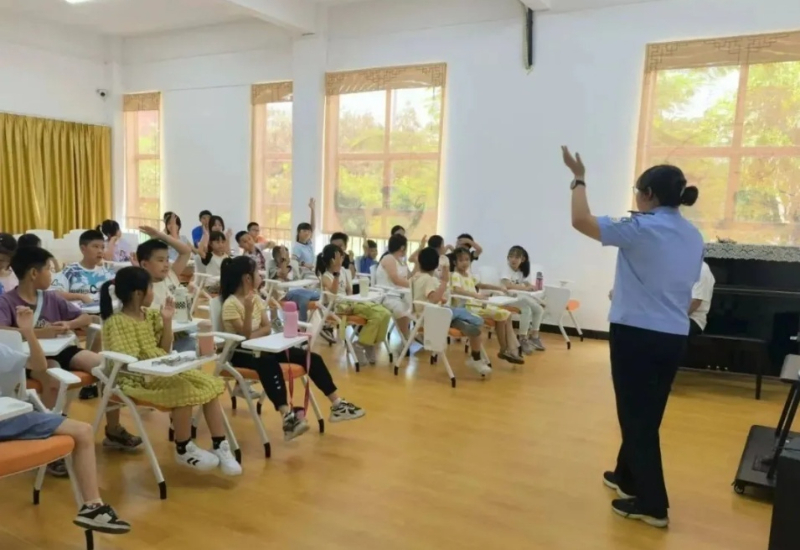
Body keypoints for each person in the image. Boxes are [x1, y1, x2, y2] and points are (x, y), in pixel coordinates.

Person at [563, 145, 703, 528]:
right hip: (673, 336)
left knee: (635, 418)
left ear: (649, 195)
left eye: (638, 191)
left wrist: (578, 178)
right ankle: (626, 476)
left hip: (636, 335)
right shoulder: (693, 235)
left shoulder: (642, 228)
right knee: (647, 413)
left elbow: (580, 219)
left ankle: (653, 505)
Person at [0, 246, 142, 467]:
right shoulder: (6, 302)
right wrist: (39, 333)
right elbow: (3, 332)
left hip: (62, 349)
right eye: (48, 269)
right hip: (31, 358)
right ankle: (49, 439)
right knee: (53, 376)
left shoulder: (51, 298)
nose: (52, 274)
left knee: (106, 367)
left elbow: (85, 318)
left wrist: (69, 324)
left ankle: (113, 429)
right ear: (34, 273)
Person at [0, 306, 132, 534]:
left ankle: (93, 508)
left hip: (8, 416)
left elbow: (39, 366)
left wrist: (28, 332)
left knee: (82, 431)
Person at [99, 267, 241, 475]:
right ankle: (183, 448)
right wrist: (154, 366)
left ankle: (220, 444)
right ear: (138, 293)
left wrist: (166, 321)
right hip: (136, 379)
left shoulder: (150, 316)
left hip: (159, 367)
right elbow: (124, 365)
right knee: (182, 390)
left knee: (209, 384)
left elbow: (164, 349)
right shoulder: (115, 323)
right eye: (150, 288)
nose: (153, 293)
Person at [219, 256, 365, 441]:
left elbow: (267, 327)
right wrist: (249, 314)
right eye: (257, 273)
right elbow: (245, 336)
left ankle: (337, 404)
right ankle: (287, 417)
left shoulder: (255, 298)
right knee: (268, 363)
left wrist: (256, 333)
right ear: (247, 278)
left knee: (311, 358)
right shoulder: (231, 304)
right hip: (240, 353)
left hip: (263, 346)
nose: (260, 276)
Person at [411, 247, 491, 376]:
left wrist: (440, 296)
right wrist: (444, 282)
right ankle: (477, 322)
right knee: (463, 313)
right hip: (434, 316)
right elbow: (433, 299)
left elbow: (428, 297)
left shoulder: (418, 277)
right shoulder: (427, 279)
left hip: (437, 314)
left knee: (474, 330)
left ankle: (476, 359)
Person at [317, 244, 391, 365]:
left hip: (351, 302)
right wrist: (336, 273)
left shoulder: (344, 271)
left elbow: (349, 291)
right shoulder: (326, 276)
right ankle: (360, 344)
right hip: (339, 306)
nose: (342, 259)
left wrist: (352, 302)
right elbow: (334, 293)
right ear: (332, 260)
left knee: (386, 313)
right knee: (376, 316)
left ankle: (368, 343)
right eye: (340, 257)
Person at [449, 247, 524, 365]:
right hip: (468, 307)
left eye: (467, 260)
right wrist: (475, 295)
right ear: (455, 262)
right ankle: (506, 349)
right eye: (461, 260)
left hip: (477, 304)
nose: (465, 263)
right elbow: (457, 290)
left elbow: (481, 285)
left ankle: (507, 348)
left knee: (506, 314)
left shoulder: (469, 275)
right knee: (503, 314)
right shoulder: (455, 275)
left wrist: (499, 288)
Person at [135, 226, 194, 352]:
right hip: (163, 340)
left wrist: (161, 236)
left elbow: (186, 251)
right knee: (199, 347)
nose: (166, 264)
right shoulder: (141, 291)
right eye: (160, 260)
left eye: (167, 259)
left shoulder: (170, 274)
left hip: (182, 330)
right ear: (144, 264)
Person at [501, 246, 547, 353]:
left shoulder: (520, 271)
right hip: (506, 298)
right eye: (511, 257)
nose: (513, 259)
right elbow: (507, 285)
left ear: (522, 259)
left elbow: (525, 283)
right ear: (508, 258)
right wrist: (525, 288)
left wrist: (531, 286)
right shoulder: (506, 269)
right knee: (526, 309)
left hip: (519, 297)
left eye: (517, 257)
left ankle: (534, 337)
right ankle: (522, 338)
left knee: (539, 309)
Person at [51, 230, 115, 305]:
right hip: (79, 311)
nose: (100, 251)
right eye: (96, 247)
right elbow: (54, 294)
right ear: (83, 249)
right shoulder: (70, 271)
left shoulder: (107, 271)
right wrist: (80, 297)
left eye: (102, 247)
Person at [375, 234, 412, 341]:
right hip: (386, 295)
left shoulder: (402, 261)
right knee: (402, 307)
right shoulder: (389, 258)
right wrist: (413, 285)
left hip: (399, 294)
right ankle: (406, 337)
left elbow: (409, 277)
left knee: (415, 303)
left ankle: (412, 334)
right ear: (402, 247)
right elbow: (396, 280)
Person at [268, 245, 319, 323]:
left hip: (298, 291)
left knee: (317, 297)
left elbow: (299, 282)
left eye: (288, 256)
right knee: (308, 302)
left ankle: (307, 323)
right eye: (285, 256)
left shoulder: (292, 268)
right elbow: (283, 274)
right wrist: (283, 260)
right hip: (287, 295)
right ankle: (303, 323)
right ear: (278, 259)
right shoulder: (274, 269)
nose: (288, 258)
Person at [689, 261, 715, 336]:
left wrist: (673, 317)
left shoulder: (701, 269)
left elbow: (695, 302)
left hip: (692, 318)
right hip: (672, 315)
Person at [292, 199, 316, 275]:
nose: (307, 233)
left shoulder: (308, 243)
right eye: (304, 231)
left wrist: (312, 209)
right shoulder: (297, 247)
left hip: (311, 272)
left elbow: (313, 227)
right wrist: (304, 264)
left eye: (309, 231)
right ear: (299, 232)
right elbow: (293, 261)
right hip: (303, 275)